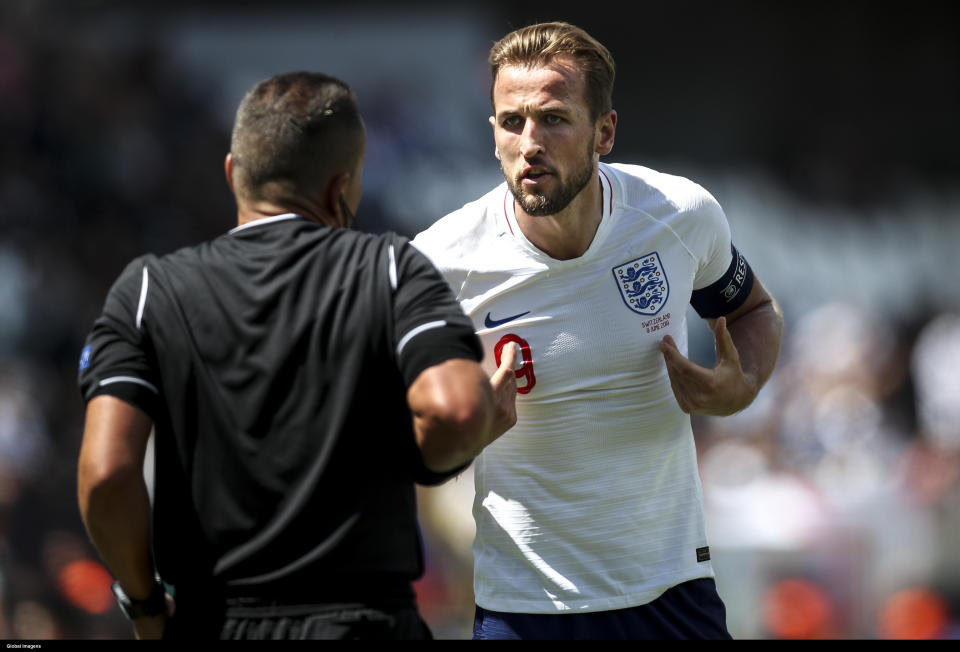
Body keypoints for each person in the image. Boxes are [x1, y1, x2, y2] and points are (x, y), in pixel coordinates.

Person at [76, 71, 517, 640]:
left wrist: (145, 605)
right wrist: (465, 432)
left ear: (234, 172)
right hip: (364, 624)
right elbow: (454, 410)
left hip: (212, 624)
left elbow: (105, 474)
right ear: (343, 189)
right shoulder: (388, 267)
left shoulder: (146, 291)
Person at [411, 22, 784, 639]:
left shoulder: (678, 215)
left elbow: (753, 311)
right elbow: (398, 434)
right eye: (511, 122)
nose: (529, 142)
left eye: (554, 119)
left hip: (672, 591)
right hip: (524, 608)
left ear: (604, 132)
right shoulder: (440, 262)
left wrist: (740, 386)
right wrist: (459, 435)